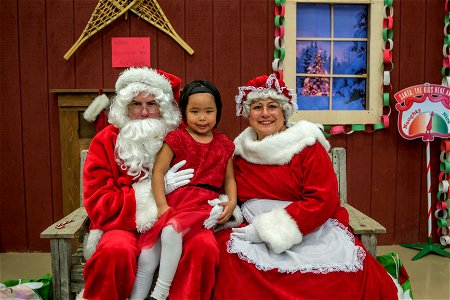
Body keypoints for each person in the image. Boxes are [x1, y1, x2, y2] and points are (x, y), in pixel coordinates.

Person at [212, 73, 402, 299]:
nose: (264, 113)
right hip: (250, 225)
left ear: (284, 111)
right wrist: (228, 210)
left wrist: (269, 230)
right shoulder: (239, 151)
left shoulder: (306, 146)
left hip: (307, 226)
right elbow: (228, 191)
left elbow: (322, 200)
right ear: (247, 113)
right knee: (230, 260)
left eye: (272, 106)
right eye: (257, 107)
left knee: (329, 278)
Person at [81, 67, 219, 300]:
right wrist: (155, 191)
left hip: (178, 219)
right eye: (136, 104)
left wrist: (219, 203)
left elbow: (210, 178)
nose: (144, 112)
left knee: (203, 247)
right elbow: (99, 203)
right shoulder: (105, 141)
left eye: (152, 104)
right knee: (116, 251)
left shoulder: (185, 137)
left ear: (163, 107)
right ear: (125, 107)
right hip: (122, 225)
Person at [130, 80, 238, 300]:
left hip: (202, 205)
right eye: (194, 111)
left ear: (218, 111)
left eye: (209, 111)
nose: (202, 118)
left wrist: (232, 202)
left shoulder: (224, 144)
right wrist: (162, 206)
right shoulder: (177, 139)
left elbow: (230, 180)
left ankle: (160, 292)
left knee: (171, 231)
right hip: (176, 201)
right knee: (148, 257)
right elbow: (158, 173)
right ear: (183, 112)